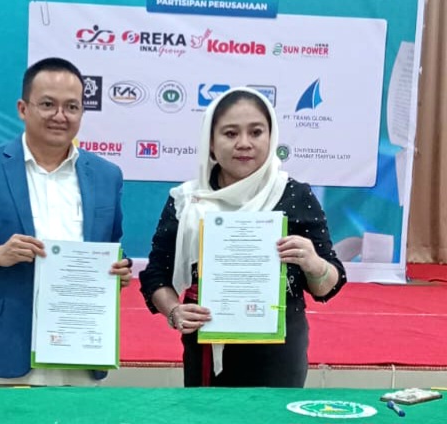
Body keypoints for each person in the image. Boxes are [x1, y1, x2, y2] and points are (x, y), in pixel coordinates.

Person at [0, 57, 132, 387]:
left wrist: (119, 270)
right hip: (5, 351)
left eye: (72, 107)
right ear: (23, 108)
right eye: (47, 104)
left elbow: (112, 248)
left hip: (81, 350)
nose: (60, 116)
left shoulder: (107, 175)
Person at [139, 87, 346, 388]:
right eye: (230, 133)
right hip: (204, 344)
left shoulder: (294, 195)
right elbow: (156, 275)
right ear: (211, 143)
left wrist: (313, 263)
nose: (244, 143)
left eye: (256, 132)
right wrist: (174, 311)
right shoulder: (187, 200)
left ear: (271, 138)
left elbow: (328, 285)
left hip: (278, 350)